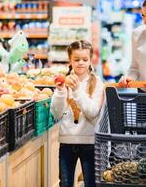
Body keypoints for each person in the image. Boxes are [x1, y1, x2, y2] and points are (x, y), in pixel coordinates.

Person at [50, 40, 104, 187]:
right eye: (76, 59)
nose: (81, 63)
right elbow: (56, 113)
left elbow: (92, 112)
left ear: (90, 60)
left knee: (91, 183)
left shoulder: (97, 83)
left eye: (85, 59)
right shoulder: (65, 82)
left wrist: (77, 91)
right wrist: (60, 92)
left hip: (90, 143)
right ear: (70, 60)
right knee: (65, 183)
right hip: (67, 142)